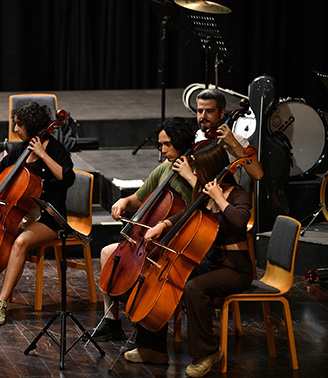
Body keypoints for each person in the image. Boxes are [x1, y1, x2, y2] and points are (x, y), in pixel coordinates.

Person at [128, 142, 253, 377]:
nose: (194, 173)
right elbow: (186, 214)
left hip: (237, 269)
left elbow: (240, 221)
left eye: (198, 169)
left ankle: (207, 352)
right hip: (215, 263)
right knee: (167, 275)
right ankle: (153, 347)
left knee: (195, 287)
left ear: (212, 169)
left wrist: (220, 198)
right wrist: (163, 225)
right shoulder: (204, 194)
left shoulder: (238, 195)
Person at [0, 102, 75, 326]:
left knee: (19, 243)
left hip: (47, 217)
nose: (15, 129)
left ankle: (1, 302)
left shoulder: (56, 149)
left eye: (19, 125)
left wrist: (43, 155)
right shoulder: (21, 149)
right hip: (20, 214)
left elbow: (67, 178)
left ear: (32, 125)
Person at [89, 118, 197, 343]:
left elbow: (204, 205)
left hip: (179, 242)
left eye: (168, 144)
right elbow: (138, 198)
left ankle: (145, 323)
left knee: (140, 271)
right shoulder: (164, 169)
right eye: (161, 145)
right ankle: (111, 321)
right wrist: (124, 202)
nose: (163, 150)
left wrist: (189, 175)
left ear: (181, 142)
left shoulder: (196, 171)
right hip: (152, 239)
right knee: (110, 254)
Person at [195, 88, 263, 186]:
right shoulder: (196, 137)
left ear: (222, 113)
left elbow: (258, 174)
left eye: (209, 111)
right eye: (200, 111)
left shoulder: (237, 140)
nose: (203, 116)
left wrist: (233, 143)